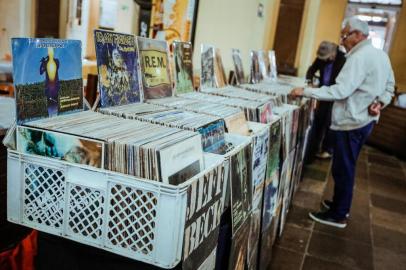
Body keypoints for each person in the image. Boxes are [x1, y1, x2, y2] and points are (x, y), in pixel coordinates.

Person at [290, 17, 395, 228]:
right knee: (346, 165)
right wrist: (380, 102)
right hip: (365, 119)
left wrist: (306, 91)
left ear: (358, 35)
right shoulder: (380, 55)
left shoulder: (359, 58)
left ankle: (338, 214)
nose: (342, 40)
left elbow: (340, 90)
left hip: (351, 121)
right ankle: (339, 204)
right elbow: (389, 86)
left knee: (343, 168)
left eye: (345, 35)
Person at [306, 41, 346, 160]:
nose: (326, 60)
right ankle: (314, 148)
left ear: (333, 53)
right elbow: (311, 70)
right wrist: (309, 82)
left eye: (328, 57)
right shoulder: (322, 57)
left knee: (330, 122)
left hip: (335, 95)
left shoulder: (343, 60)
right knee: (319, 120)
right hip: (323, 93)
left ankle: (327, 149)